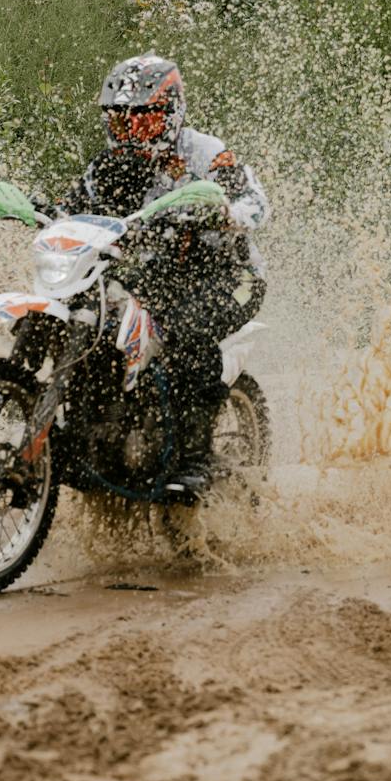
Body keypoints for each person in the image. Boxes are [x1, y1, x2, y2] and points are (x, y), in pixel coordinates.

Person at [55, 54, 270, 497]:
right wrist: (45, 214)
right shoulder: (106, 169)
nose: (131, 133)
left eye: (145, 122)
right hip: (156, 279)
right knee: (93, 325)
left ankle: (196, 460)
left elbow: (257, 203)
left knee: (186, 334)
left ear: (171, 115)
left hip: (227, 276)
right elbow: (72, 208)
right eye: (121, 122)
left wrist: (222, 212)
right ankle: (92, 441)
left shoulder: (205, 153)